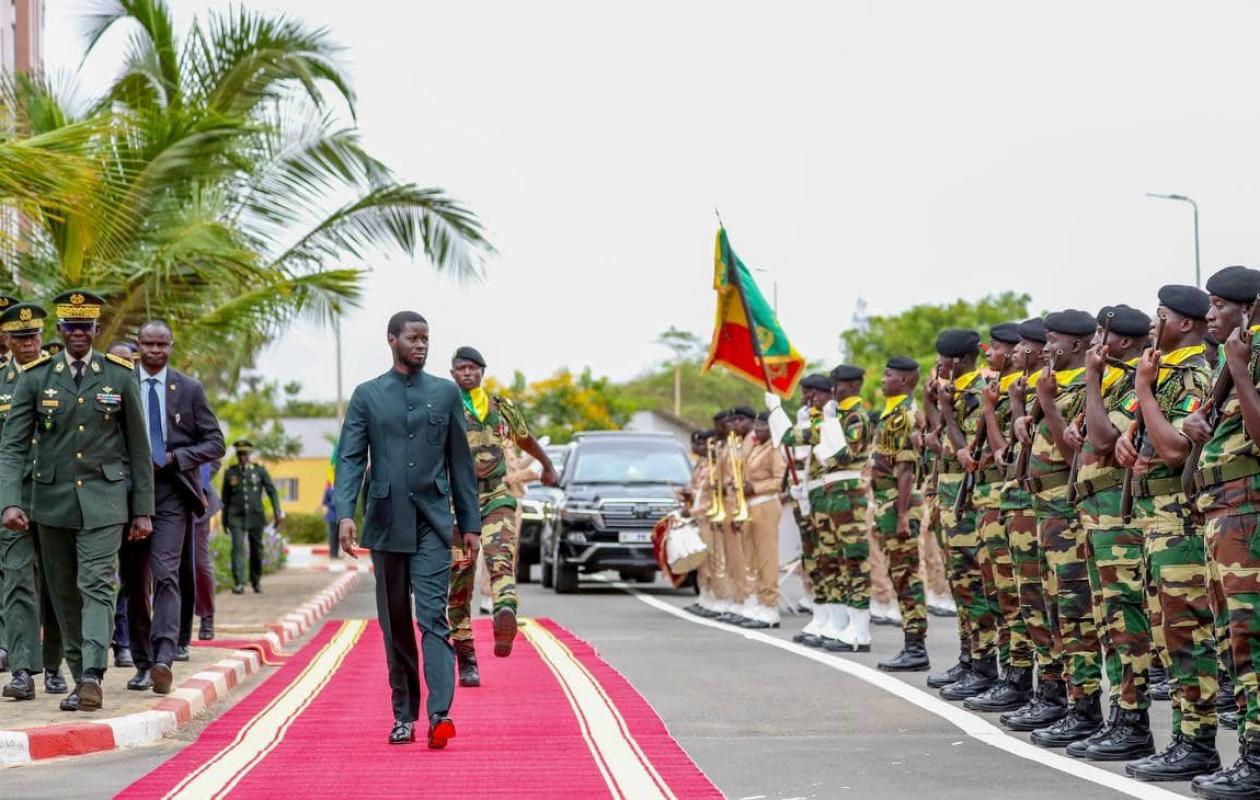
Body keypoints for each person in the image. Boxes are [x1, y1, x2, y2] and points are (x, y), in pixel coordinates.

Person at [0, 289, 154, 713]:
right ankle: (76, 673)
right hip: (49, 504)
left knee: (97, 586)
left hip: (105, 503)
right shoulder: (37, 377)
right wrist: (10, 502)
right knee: (64, 594)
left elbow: (139, 449)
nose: (79, 334)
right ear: (61, 330)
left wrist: (143, 510)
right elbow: (12, 447)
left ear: (97, 330)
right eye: (71, 327)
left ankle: (91, 675)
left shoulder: (120, 375)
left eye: (86, 327)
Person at [335, 310, 480, 748]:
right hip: (385, 523)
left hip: (434, 523)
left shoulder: (446, 394)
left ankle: (440, 714)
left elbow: (460, 462)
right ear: (392, 340)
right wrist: (345, 513)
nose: (421, 345)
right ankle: (404, 714)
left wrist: (469, 522)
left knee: (432, 617)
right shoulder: (367, 396)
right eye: (413, 338)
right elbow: (351, 459)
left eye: (426, 339)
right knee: (395, 623)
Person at [1110, 287, 1220, 779]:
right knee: (1166, 636)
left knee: (1186, 636)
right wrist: (1126, 449)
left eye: (1162, 316)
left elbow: (1176, 451)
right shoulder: (1167, 375)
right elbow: (1150, 443)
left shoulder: (1193, 374)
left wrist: (1143, 392)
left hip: (1179, 523)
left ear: (1186, 325)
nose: (1154, 324)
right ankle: (1183, 738)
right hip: (1156, 521)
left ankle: (1198, 743)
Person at [1181, 265, 1260, 799]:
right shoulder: (1230, 365)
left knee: (1251, 639)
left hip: (1247, 515)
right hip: (1220, 512)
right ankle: (1248, 755)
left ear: (1250, 309)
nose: (1210, 314)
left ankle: (1256, 761)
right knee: (1231, 639)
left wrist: (1242, 370)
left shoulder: (1247, 360)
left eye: (1220, 304)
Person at [1066, 305, 1156, 761]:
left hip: (1116, 517)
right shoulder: (1117, 380)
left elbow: (1101, 440)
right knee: (1106, 619)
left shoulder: (1129, 382)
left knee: (1125, 619)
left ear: (1121, 341)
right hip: (1097, 512)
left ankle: (1133, 720)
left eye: (1103, 332)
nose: (1097, 339)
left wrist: (1093, 381)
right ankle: (1119, 717)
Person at [119, 320, 224, 695]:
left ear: (171, 347)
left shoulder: (189, 389)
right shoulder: (121, 383)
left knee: (165, 574)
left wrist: (175, 457)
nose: (155, 351)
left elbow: (215, 443)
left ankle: (164, 658)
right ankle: (143, 662)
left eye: (162, 345)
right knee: (134, 581)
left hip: (171, 493)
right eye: (148, 344)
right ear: (138, 344)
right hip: (129, 495)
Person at [1018, 309, 1105, 748]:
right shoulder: (1054, 384)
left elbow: (1071, 452)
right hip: (1044, 508)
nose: (1044, 346)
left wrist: (1047, 403)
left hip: (1067, 510)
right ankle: (1061, 697)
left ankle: (1085, 707)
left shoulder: (1079, 389)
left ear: (1074, 345)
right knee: (1049, 607)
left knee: (1074, 613)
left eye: (1052, 339)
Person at [446, 346, 557, 687]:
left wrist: (547, 465)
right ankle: (466, 658)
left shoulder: (500, 406)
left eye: (473, 368)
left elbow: (524, 438)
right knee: (460, 580)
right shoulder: (443, 406)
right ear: (452, 374)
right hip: (457, 501)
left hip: (497, 494)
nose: (467, 373)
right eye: (461, 368)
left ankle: (503, 614)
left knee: (501, 557)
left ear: (482, 371)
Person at [0, 302, 69, 700]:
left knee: (57, 584)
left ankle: (55, 663)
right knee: (18, 581)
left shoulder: (61, 378)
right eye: (20, 337)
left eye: (34, 336)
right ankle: (23, 671)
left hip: (57, 494)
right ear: (7, 340)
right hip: (15, 500)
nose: (29, 343)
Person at [964, 323, 1033, 712]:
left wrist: (992, 409)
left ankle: (1022, 679)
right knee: (999, 595)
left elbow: (1002, 452)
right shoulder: (1007, 392)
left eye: (1004, 347)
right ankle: (1010, 674)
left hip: (1019, 503)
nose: (990, 353)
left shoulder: (1021, 393)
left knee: (1024, 601)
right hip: (1000, 503)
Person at [928, 330, 1001, 701]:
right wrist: (935, 406)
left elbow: (965, 448)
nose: (938, 367)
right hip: (948, 498)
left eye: (942, 361)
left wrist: (944, 409)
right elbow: (935, 441)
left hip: (967, 500)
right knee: (959, 583)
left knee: (973, 585)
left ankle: (984, 662)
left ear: (955, 361)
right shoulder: (955, 391)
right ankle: (968, 656)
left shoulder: (976, 392)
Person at [871, 356, 931, 672]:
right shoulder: (891, 413)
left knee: (907, 574)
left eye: (889, 374)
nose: (883, 379)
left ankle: (916, 646)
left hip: (898, 503)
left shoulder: (904, 416)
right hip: (889, 503)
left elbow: (906, 469)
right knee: (899, 574)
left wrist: (904, 514)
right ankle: (911, 644)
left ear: (906, 381)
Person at [738, 411, 786, 628]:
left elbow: (779, 480)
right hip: (751, 507)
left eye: (762, 425)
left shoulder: (775, 448)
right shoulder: (756, 447)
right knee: (753, 558)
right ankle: (758, 600)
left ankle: (770, 605)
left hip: (766, 504)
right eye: (756, 424)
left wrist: (755, 487)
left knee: (767, 557)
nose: (757, 428)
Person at [220, 440, 282, 594]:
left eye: (245, 454)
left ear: (249, 455)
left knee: (257, 549)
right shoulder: (230, 472)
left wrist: (277, 511)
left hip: (255, 515)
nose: (242, 458)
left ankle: (256, 581)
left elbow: (271, 491)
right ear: (237, 455)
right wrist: (224, 520)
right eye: (240, 454)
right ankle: (239, 583)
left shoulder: (259, 471)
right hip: (236, 516)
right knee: (238, 549)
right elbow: (225, 499)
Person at [187, 461, 222, 641]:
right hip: (162, 497)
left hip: (199, 501)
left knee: (199, 563)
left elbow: (213, 458)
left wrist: (197, 485)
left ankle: (206, 615)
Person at [322, 483, 339, 560]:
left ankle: (336, 554)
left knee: (338, 536)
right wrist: (332, 504)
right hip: (332, 516)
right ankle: (332, 554)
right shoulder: (328, 490)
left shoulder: (340, 488)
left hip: (340, 516)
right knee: (332, 536)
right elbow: (324, 502)